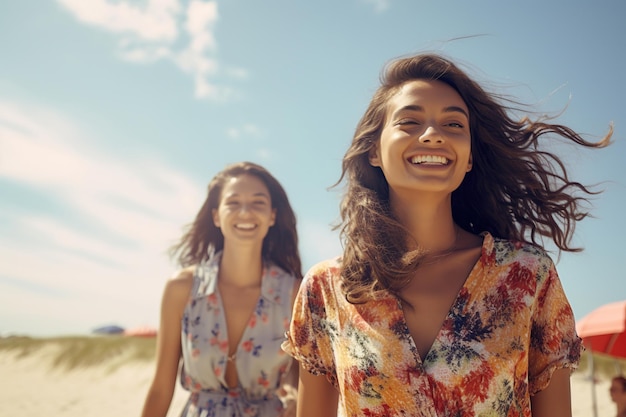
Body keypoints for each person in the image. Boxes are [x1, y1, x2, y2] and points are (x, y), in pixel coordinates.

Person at [282, 53, 613, 417]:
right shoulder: (327, 288)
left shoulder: (526, 277)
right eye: (409, 121)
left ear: (469, 157)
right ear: (374, 150)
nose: (433, 135)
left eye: (454, 125)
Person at [141, 161, 302, 417]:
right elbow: (161, 389)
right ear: (217, 215)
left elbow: (301, 374)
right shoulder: (181, 289)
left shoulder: (294, 295)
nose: (246, 212)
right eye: (233, 202)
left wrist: (294, 395)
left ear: (272, 215)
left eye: (258, 202)